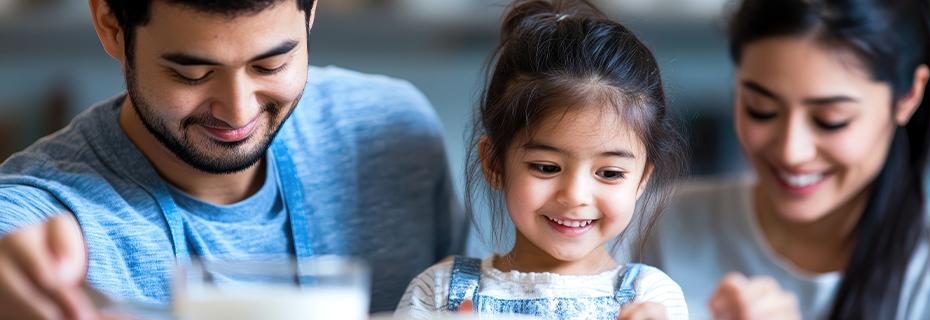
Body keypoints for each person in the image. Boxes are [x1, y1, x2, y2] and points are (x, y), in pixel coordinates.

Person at [0, 0, 464, 318]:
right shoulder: (45, 207)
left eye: (271, 65)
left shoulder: (394, 133)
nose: (238, 111)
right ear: (111, 26)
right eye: (192, 74)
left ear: (312, 12)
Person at [635, 0, 930, 319]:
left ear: (909, 96)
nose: (792, 152)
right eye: (761, 110)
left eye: (831, 119)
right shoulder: (656, 225)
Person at [395, 1, 689, 319]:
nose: (575, 196)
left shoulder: (651, 299)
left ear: (642, 179)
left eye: (609, 173)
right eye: (546, 167)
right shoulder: (438, 292)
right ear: (494, 163)